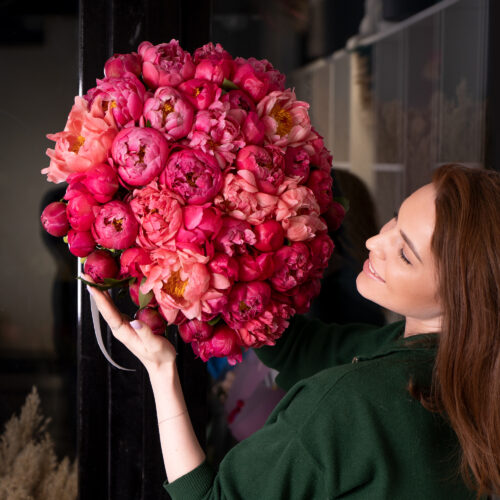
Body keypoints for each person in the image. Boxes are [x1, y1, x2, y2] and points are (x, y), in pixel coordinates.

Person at [85, 163, 500, 499]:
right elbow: (301, 347)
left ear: (462, 294)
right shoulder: (461, 364)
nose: (375, 242)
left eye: (405, 254)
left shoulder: (353, 400)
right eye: (394, 218)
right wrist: (224, 253)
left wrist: (161, 371)